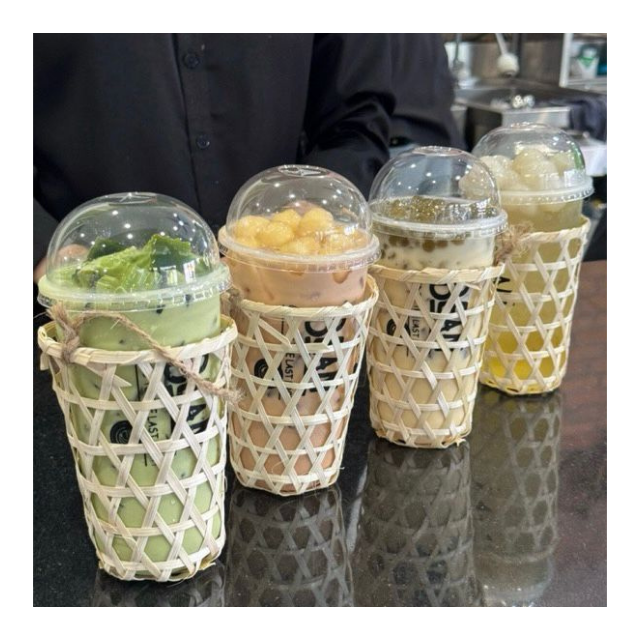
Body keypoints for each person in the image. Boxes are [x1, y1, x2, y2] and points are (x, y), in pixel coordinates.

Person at [33, 34, 396, 281]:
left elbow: (356, 112)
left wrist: (313, 217)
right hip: (75, 306)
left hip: (290, 298)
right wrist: (42, 250)